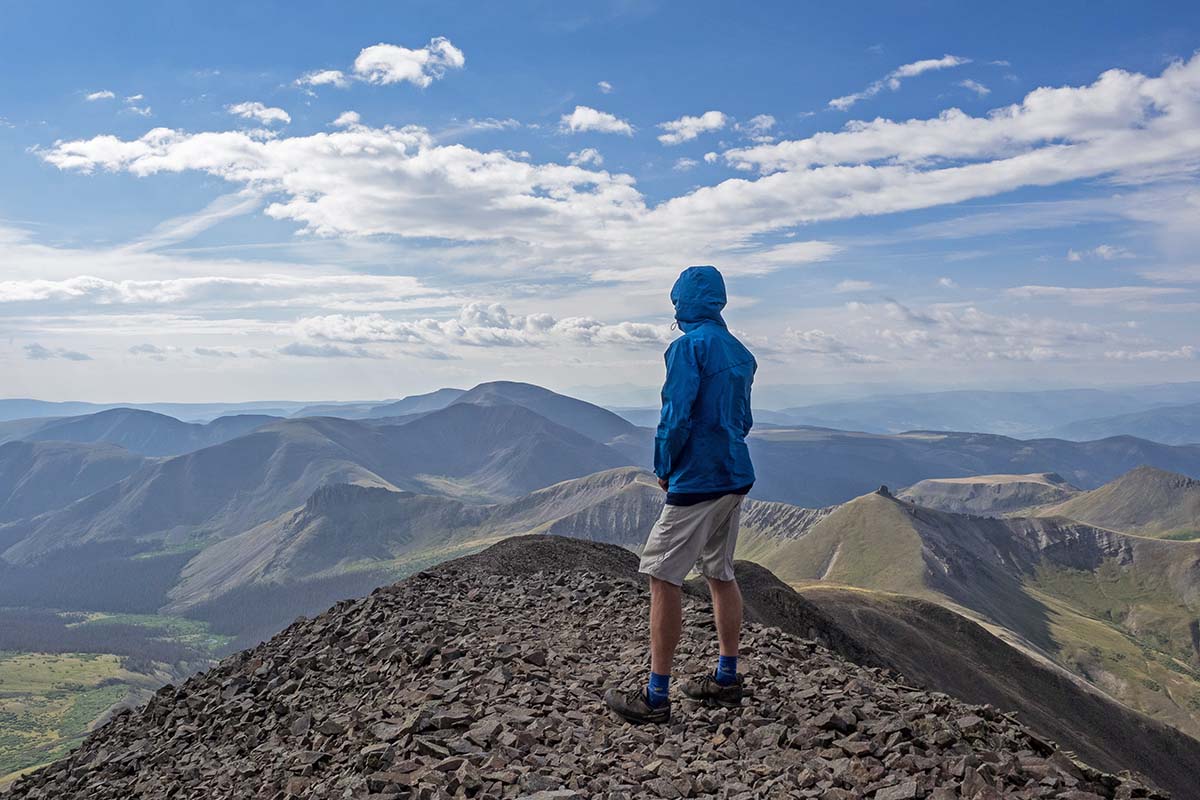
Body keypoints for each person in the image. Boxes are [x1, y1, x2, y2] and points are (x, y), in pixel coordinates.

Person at [604, 265, 757, 724]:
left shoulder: (687, 348)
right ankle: (726, 677)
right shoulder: (740, 352)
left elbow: (676, 416)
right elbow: (743, 419)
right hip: (735, 472)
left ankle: (655, 697)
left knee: (662, 576)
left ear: (683, 304)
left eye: (676, 304)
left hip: (698, 477)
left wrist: (664, 466)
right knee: (720, 571)